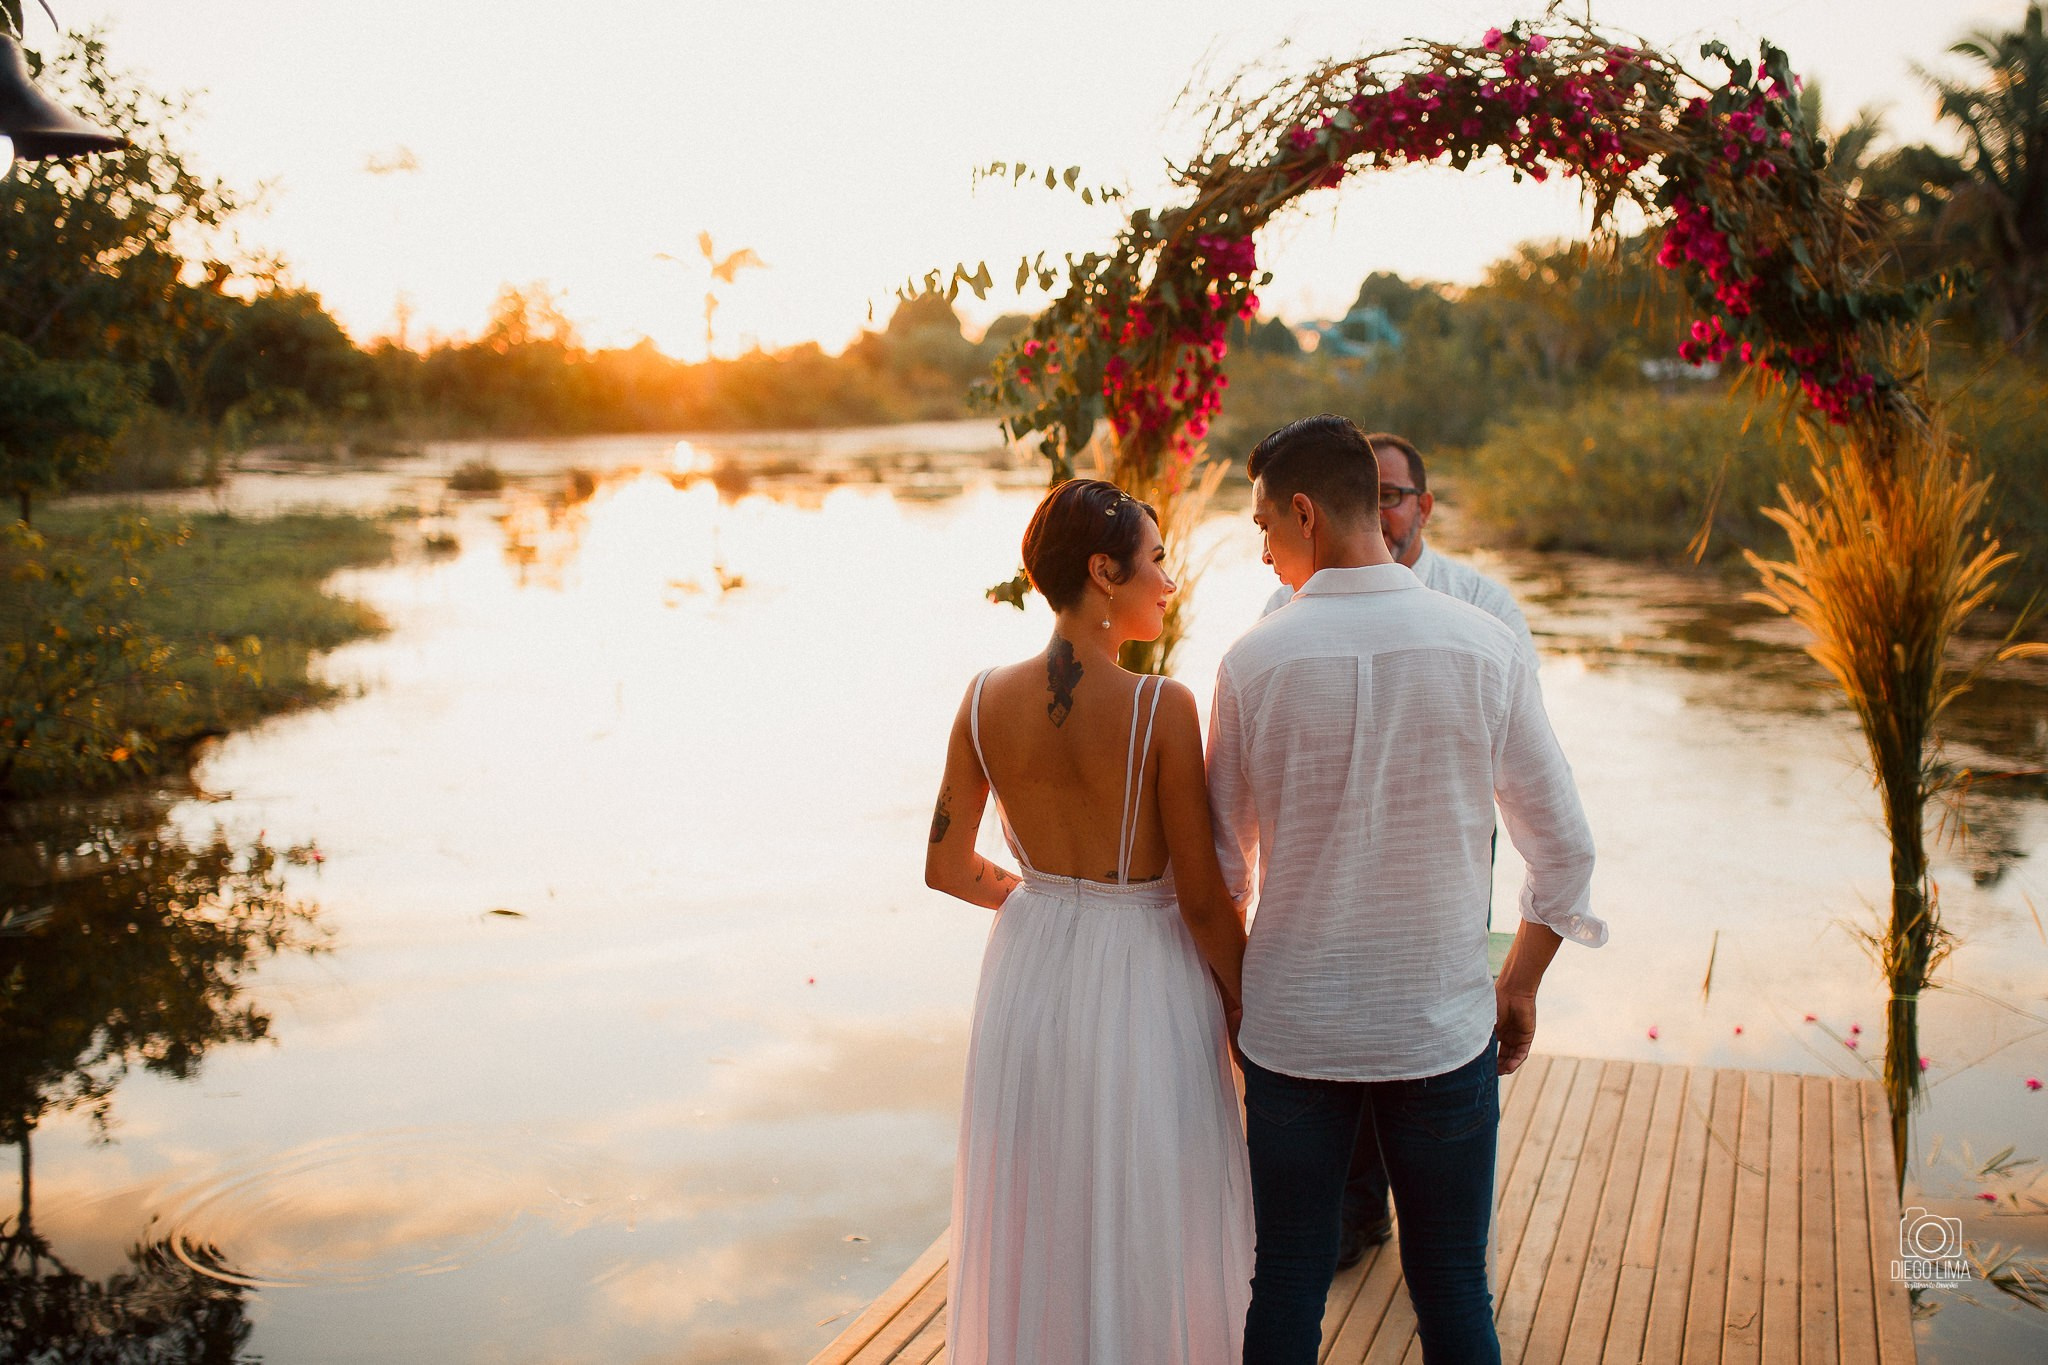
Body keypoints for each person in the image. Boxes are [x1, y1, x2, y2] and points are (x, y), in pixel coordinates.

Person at [1209, 415, 1601, 1364]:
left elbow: (1225, 873)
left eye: (1264, 526)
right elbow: (1568, 855)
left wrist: (1236, 1004)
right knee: (1456, 1288)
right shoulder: (1483, 643)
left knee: (1289, 1280)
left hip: (1296, 1031)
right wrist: (1518, 985)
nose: (1262, 554)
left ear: (1304, 512)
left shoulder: (1251, 663)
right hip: (1440, 1024)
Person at [925, 478, 1254, 1364]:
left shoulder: (983, 696)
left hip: (1030, 971)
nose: (1168, 581)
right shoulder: (1163, 708)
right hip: (1143, 972)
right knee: (1150, 1202)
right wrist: (1250, 1003)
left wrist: (1043, 900)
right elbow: (1196, 896)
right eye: (1156, 560)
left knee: (1041, 1197)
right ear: (1103, 573)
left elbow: (946, 867)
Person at [1259, 430, 1538, 1272]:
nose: (1381, 508)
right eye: (1368, 492)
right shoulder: (1283, 611)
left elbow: (1521, 767)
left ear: (1423, 503)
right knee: (1348, 1016)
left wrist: (1513, 979)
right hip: (1327, 863)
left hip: (1441, 846)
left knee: (1416, 1013)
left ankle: (1402, 1201)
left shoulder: (1486, 611)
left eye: (1394, 493)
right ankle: (1356, 1206)